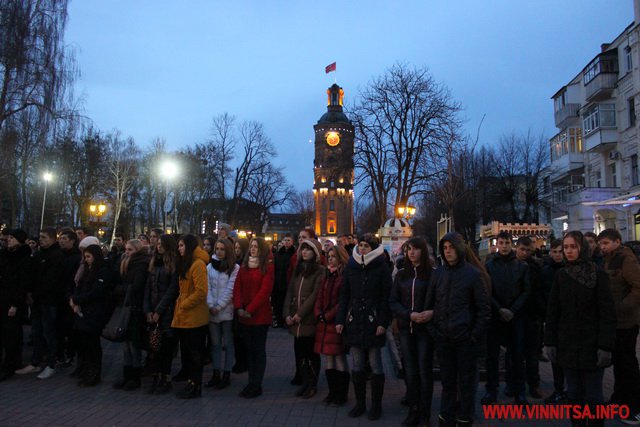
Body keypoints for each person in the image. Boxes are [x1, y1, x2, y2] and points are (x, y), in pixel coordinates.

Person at [544, 231, 616, 427]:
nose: (568, 251)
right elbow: (553, 312)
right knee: (574, 395)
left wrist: (605, 346)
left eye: (573, 247)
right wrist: (550, 342)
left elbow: (607, 313)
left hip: (592, 345)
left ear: (582, 248)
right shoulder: (561, 275)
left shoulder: (597, 274)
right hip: (568, 345)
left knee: (593, 398)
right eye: (566, 247)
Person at [425, 232, 490, 427]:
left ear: (459, 249)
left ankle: (464, 417)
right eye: (445, 249)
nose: (448, 252)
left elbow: (484, 309)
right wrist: (434, 331)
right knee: (447, 381)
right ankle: (446, 416)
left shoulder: (473, 274)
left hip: (464, 339)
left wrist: (473, 335)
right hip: (443, 337)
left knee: (467, 382)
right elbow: (430, 305)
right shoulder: (438, 274)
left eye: (451, 248)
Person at [336, 233, 392, 420]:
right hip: (354, 321)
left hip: (373, 322)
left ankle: (376, 405)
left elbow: (386, 298)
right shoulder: (351, 266)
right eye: (360, 245)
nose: (362, 249)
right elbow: (344, 295)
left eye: (366, 246)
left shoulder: (381, 267)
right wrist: (340, 319)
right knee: (357, 364)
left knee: (376, 364)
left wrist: (383, 322)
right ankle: (360, 403)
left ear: (373, 248)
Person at [389, 237, 435, 426]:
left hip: (425, 330)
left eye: (416, 249)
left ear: (423, 251)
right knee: (410, 371)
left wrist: (431, 313)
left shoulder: (432, 274)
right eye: (409, 249)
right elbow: (393, 301)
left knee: (424, 371)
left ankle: (425, 413)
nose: (412, 252)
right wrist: (409, 315)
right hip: (407, 328)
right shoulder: (401, 275)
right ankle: (413, 409)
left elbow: (439, 300)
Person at [481, 231, 530, 405]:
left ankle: (519, 391)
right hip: (496, 316)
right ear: (497, 244)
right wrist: (499, 309)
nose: (504, 246)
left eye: (507, 243)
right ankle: (491, 390)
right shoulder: (490, 265)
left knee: (517, 356)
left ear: (512, 244)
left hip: (515, 317)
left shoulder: (521, 266)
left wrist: (512, 310)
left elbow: (526, 291)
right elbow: (487, 289)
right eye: (501, 243)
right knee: (492, 356)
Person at [598, 228, 640, 424]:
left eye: (605, 243)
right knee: (619, 364)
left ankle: (634, 406)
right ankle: (619, 399)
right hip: (615, 321)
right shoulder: (610, 258)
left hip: (626, 321)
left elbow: (638, 286)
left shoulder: (626, 259)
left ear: (617, 242)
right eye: (601, 243)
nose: (602, 247)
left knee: (628, 364)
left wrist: (623, 307)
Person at [16, 227, 65, 380]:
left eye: (44, 237)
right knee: (37, 332)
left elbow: (52, 281)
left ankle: (51, 364)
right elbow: (31, 275)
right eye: (40, 237)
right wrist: (29, 293)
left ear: (52, 238)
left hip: (49, 301)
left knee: (49, 333)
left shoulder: (57, 256)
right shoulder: (39, 254)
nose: (41, 240)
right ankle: (35, 361)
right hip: (36, 300)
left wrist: (35, 293)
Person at [233, 237, 274, 399]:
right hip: (244, 316)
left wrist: (249, 309)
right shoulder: (244, 267)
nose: (253, 249)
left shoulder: (267, 267)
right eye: (251, 246)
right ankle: (250, 382)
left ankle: (257, 384)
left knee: (258, 351)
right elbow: (237, 287)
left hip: (259, 316)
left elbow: (265, 291)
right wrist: (239, 307)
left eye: (256, 247)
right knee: (249, 350)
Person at [284, 239, 325, 399]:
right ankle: (304, 381)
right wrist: (287, 313)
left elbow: (315, 295)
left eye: (308, 250)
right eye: (303, 249)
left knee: (311, 353)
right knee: (299, 352)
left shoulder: (320, 271)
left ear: (315, 253)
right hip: (295, 320)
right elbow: (290, 293)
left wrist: (300, 313)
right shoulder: (298, 269)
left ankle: (312, 384)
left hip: (307, 320)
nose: (305, 252)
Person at [171, 234, 210, 399]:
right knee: (187, 352)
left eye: (181, 245)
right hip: (184, 316)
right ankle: (190, 382)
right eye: (178, 246)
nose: (179, 249)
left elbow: (201, 291)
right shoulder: (187, 263)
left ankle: (196, 385)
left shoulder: (198, 264)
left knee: (195, 354)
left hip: (194, 317)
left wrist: (184, 304)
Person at [69, 244, 111, 387]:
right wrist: (74, 299)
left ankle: (94, 373)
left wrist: (77, 300)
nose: (86, 260)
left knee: (92, 344)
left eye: (88, 257)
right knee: (84, 343)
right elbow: (79, 286)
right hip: (84, 311)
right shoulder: (88, 270)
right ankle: (86, 369)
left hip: (95, 312)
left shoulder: (103, 271)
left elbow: (97, 292)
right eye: (85, 257)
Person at [112, 239, 150, 391]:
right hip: (126, 305)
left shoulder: (141, 264)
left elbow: (136, 286)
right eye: (126, 249)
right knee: (126, 344)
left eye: (130, 249)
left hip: (135, 307)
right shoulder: (125, 263)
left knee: (134, 345)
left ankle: (135, 376)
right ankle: (127, 374)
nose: (127, 252)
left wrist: (120, 289)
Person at [314, 245, 350, 406]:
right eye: (328, 256)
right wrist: (319, 313)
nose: (330, 259)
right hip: (324, 323)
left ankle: (341, 394)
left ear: (340, 258)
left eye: (333, 256)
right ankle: (332, 392)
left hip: (336, 323)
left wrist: (327, 315)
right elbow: (319, 297)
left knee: (340, 358)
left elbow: (343, 301)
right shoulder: (326, 276)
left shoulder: (344, 277)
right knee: (329, 359)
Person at [144, 235, 179, 394]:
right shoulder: (153, 263)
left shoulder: (173, 264)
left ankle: (165, 376)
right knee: (154, 346)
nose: (159, 246)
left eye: (161, 244)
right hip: (153, 309)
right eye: (157, 244)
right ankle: (156, 375)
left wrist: (159, 310)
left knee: (165, 346)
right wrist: (148, 310)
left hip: (167, 311)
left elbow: (172, 290)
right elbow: (148, 289)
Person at [205, 238, 239, 390]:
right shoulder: (209, 267)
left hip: (226, 311)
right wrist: (211, 304)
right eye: (217, 248)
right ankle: (216, 372)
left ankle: (227, 373)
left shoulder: (234, 267)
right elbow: (207, 288)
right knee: (215, 344)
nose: (219, 252)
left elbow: (230, 290)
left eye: (222, 249)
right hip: (212, 309)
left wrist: (219, 306)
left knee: (228, 343)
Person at [514, 237, 544, 399]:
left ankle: (534, 384)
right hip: (516, 315)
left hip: (532, 314)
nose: (524, 253)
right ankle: (514, 385)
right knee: (515, 353)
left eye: (527, 250)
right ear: (516, 248)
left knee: (532, 354)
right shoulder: (512, 265)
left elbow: (539, 289)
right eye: (522, 249)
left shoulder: (535, 267)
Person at [0, 229, 32, 382]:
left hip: (13, 301)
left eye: (12, 238)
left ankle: (10, 365)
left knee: (11, 335)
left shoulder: (24, 258)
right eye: (8, 238)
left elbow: (22, 283)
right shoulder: (5, 255)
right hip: (3, 298)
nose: (8, 240)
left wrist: (15, 304)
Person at [541, 239, 567, 404]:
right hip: (552, 319)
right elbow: (542, 294)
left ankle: (571, 390)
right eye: (555, 252)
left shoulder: (570, 270)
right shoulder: (546, 271)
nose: (557, 255)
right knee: (555, 356)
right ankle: (559, 389)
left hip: (569, 320)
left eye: (560, 252)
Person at [57, 229, 82, 368]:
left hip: (70, 296)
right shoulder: (58, 255)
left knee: (69, 328)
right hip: (57, 296)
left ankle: (70, 354)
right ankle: (59, 353)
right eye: (60, 238)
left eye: (64, 238)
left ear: (72, 241)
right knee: (58, 327)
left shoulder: (77, 257)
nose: (61, 241)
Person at [231, 238, 249, 374]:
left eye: (239, 248)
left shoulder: (245, 264)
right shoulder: (233, 263)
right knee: (236, 335)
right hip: (234, 302)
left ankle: (244, 361)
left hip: (243, 302)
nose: (237, 250)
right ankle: (239, 361)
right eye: (235, 248)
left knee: (242, 335)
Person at [272, 233, 296, 329]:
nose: (286, 242)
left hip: (288, 282)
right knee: (278, 303)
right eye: (285, 240)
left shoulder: (294, 254)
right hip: (278, 281)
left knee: (287, 303)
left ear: (292, 242)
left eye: (288, 240)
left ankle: (286, 320)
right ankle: (279, 320)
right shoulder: (278, 254)